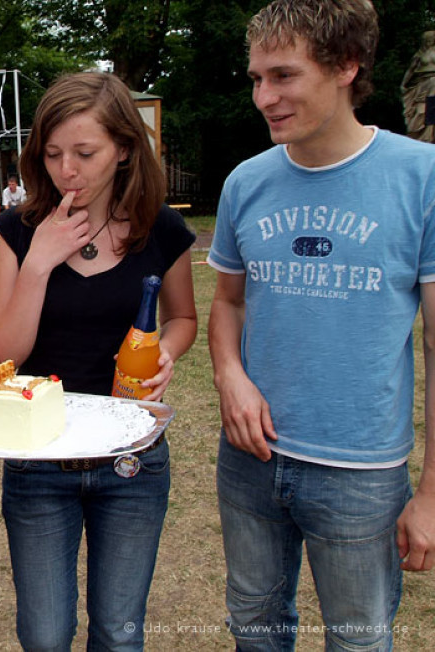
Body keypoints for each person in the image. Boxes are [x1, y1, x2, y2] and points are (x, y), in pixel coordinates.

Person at [208, 1, 435, 649]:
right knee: (254, 627)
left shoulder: (421, 179)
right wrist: (230, 375)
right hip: (249, 460)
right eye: (256, 78)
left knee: (358, 640)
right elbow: (228, 302)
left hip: (360, 473)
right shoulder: (245, 184)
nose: (263, 97)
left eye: (283, 76)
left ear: (345, 66)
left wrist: (431, 495)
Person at [0, 71, 197, 650]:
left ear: (125, 148)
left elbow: (183, 320)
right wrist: (38, 262)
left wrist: (167, 354)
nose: (65, 170)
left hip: (133, 460)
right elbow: (4, 352)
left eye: (84, 152)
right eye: (52, 153)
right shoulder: (18, 229)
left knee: (119, 633)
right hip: (38, 464)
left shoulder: (161, 227)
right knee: (46, 636)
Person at [401, 31, 435, 143]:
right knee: (422, 110)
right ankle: (424, 137)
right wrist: (404, 84)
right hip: (423, 83)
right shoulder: (420, 54)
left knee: (431, 107)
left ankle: (430, 136)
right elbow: (411, 71)